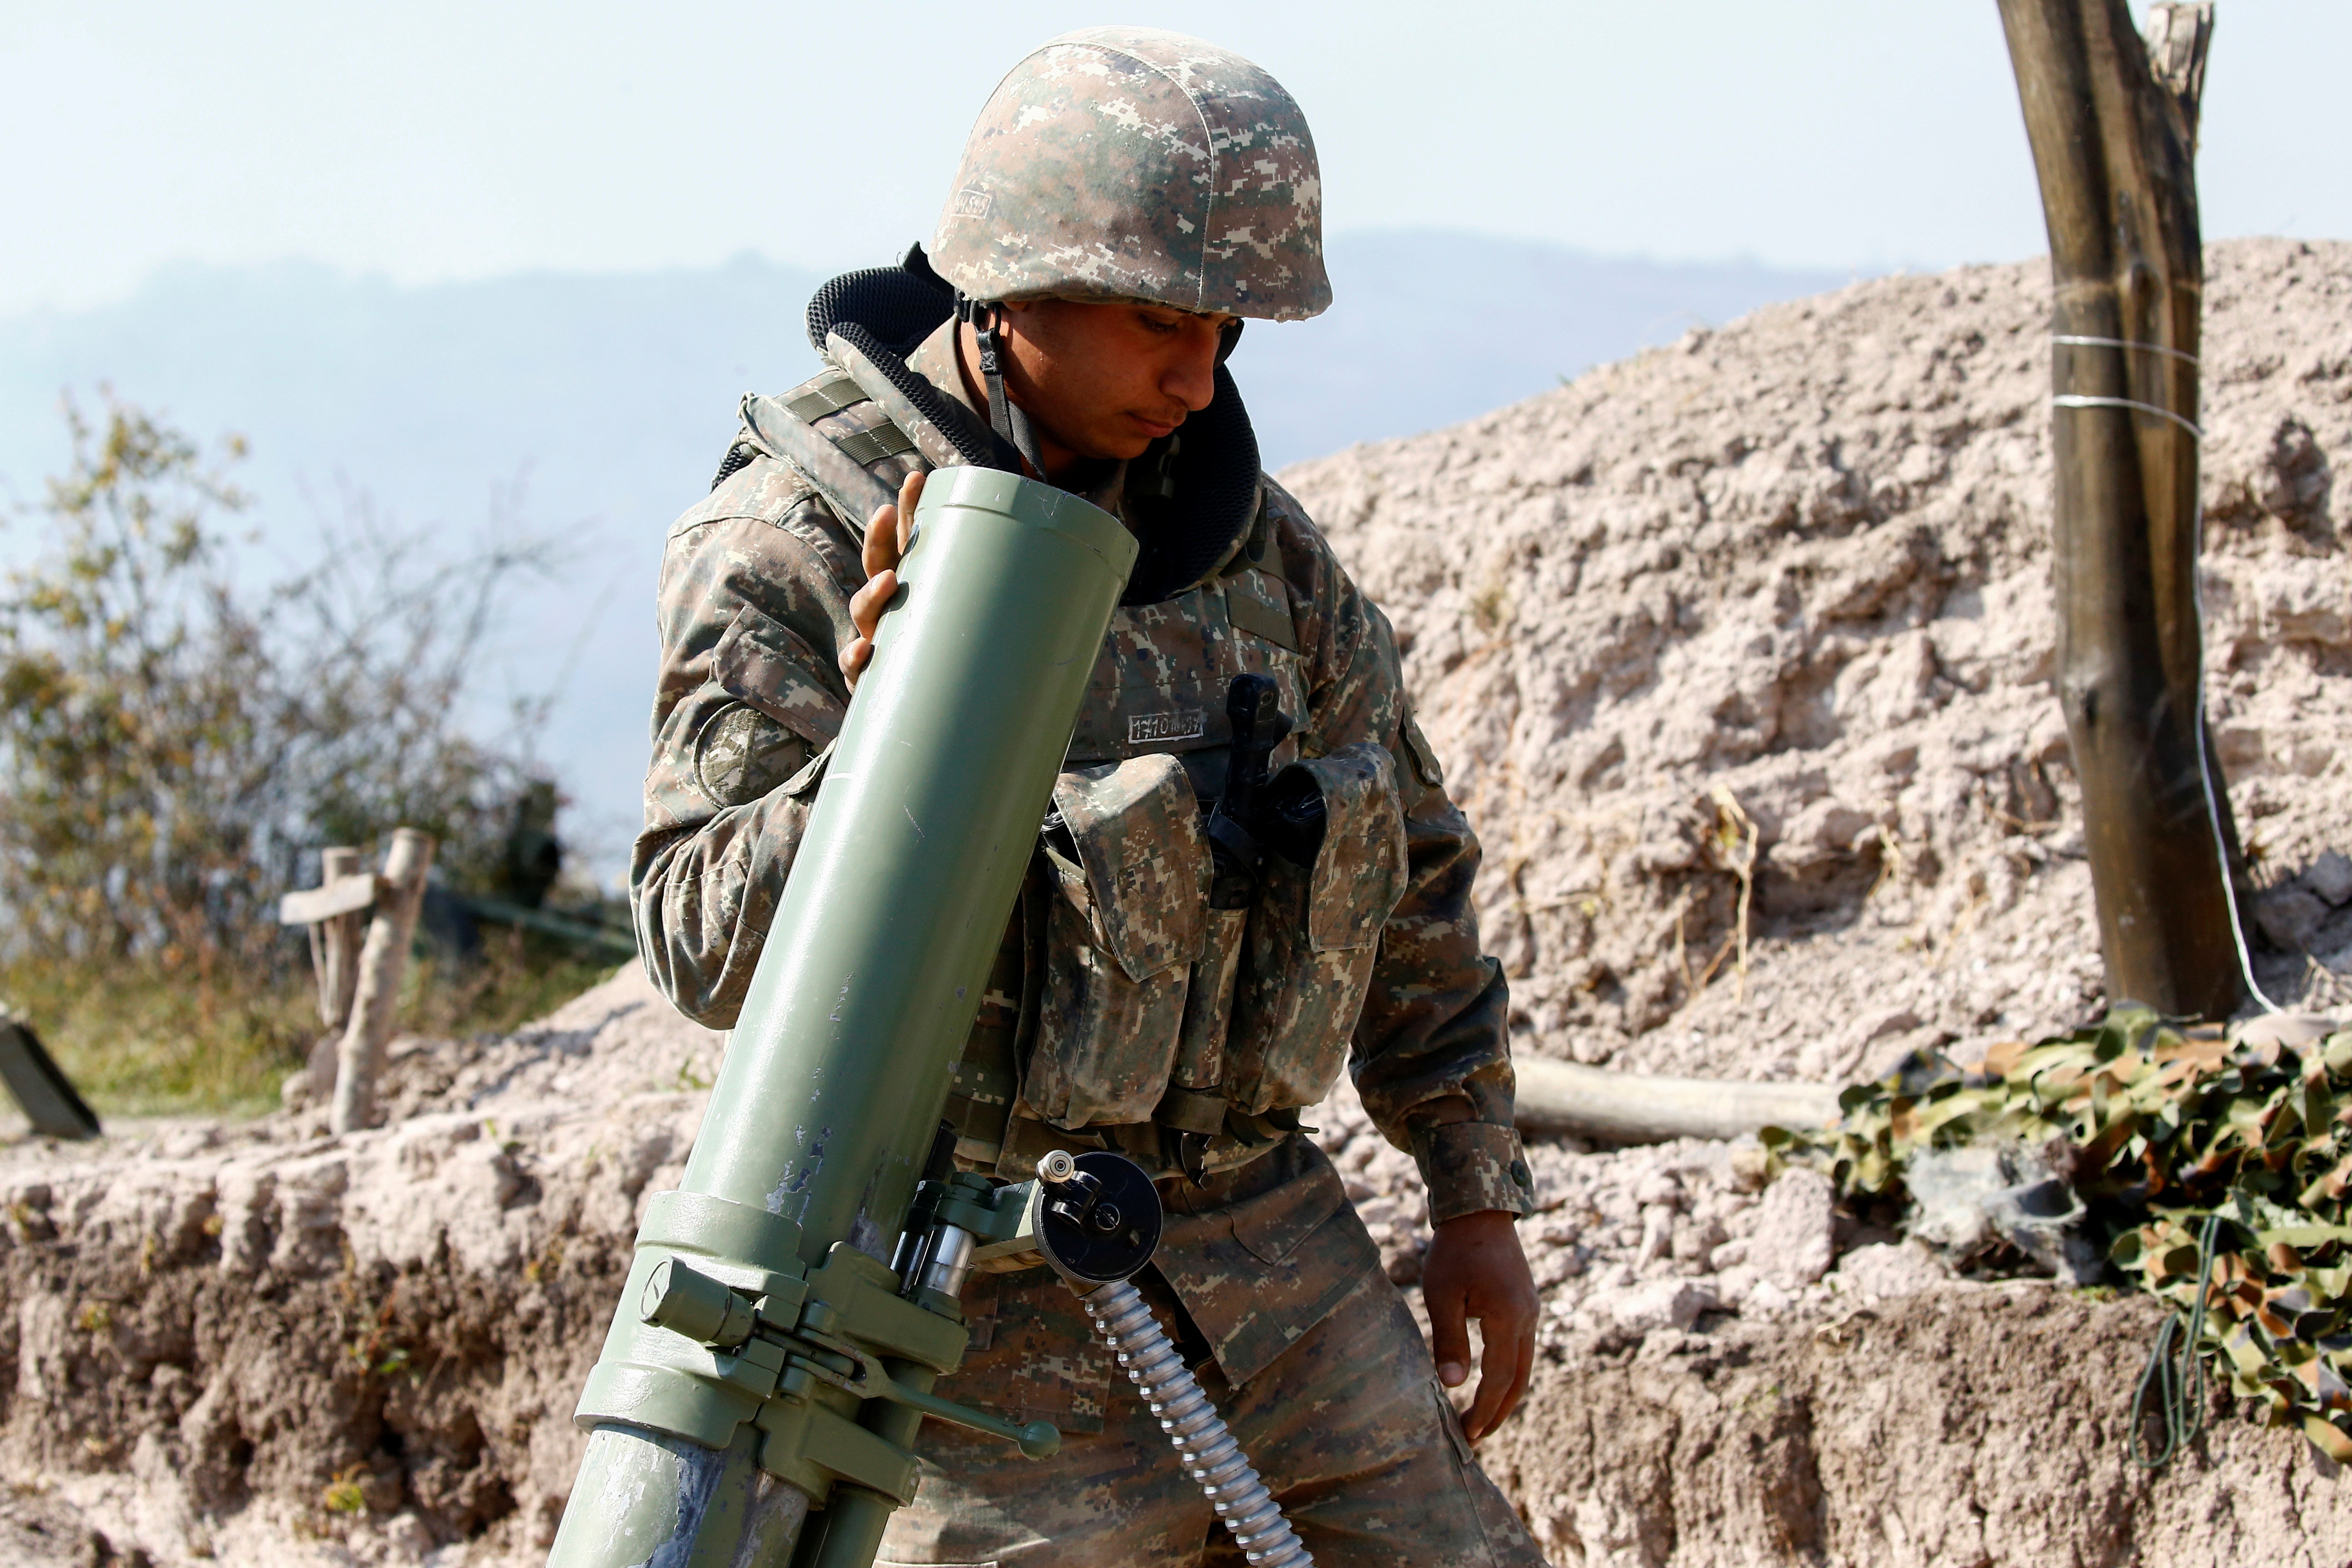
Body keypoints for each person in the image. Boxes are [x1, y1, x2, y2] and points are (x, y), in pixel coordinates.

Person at [633, 26, 1544, 1567]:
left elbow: (1410, 876)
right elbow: (697, 941)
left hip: (1280, 1275)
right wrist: (895, 739)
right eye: (1151, 323)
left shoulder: (1261, 559)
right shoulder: (792, 541)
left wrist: (1474, 1197)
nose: (1196, 380)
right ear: (1006, 282)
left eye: (1228, 332)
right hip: (961, 1317)